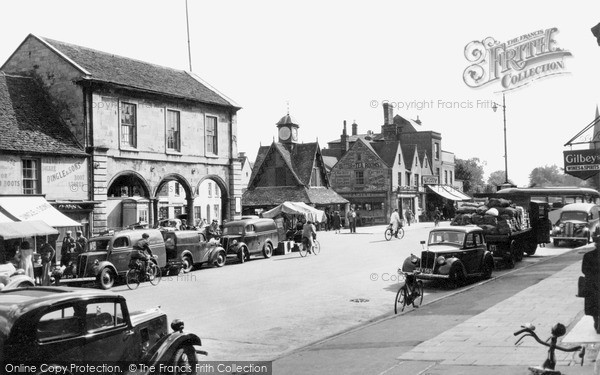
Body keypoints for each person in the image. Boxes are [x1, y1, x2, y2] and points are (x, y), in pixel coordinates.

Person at [583, 237, 600, 333]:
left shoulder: (588, 255)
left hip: (592, 284)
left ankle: (596, 320)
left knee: (593, 305)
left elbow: (584, 270)